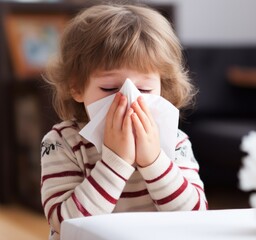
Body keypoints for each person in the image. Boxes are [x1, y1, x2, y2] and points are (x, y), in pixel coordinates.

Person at [40, 3, 208, 240]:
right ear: (76, 87)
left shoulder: (175, 141)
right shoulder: (61, 143)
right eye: (109, 88)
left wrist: (154, 161)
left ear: (162, 86)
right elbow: (64, 225)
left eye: (144, 88)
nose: (128, 99)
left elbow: (196, 218)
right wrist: (115, 162)